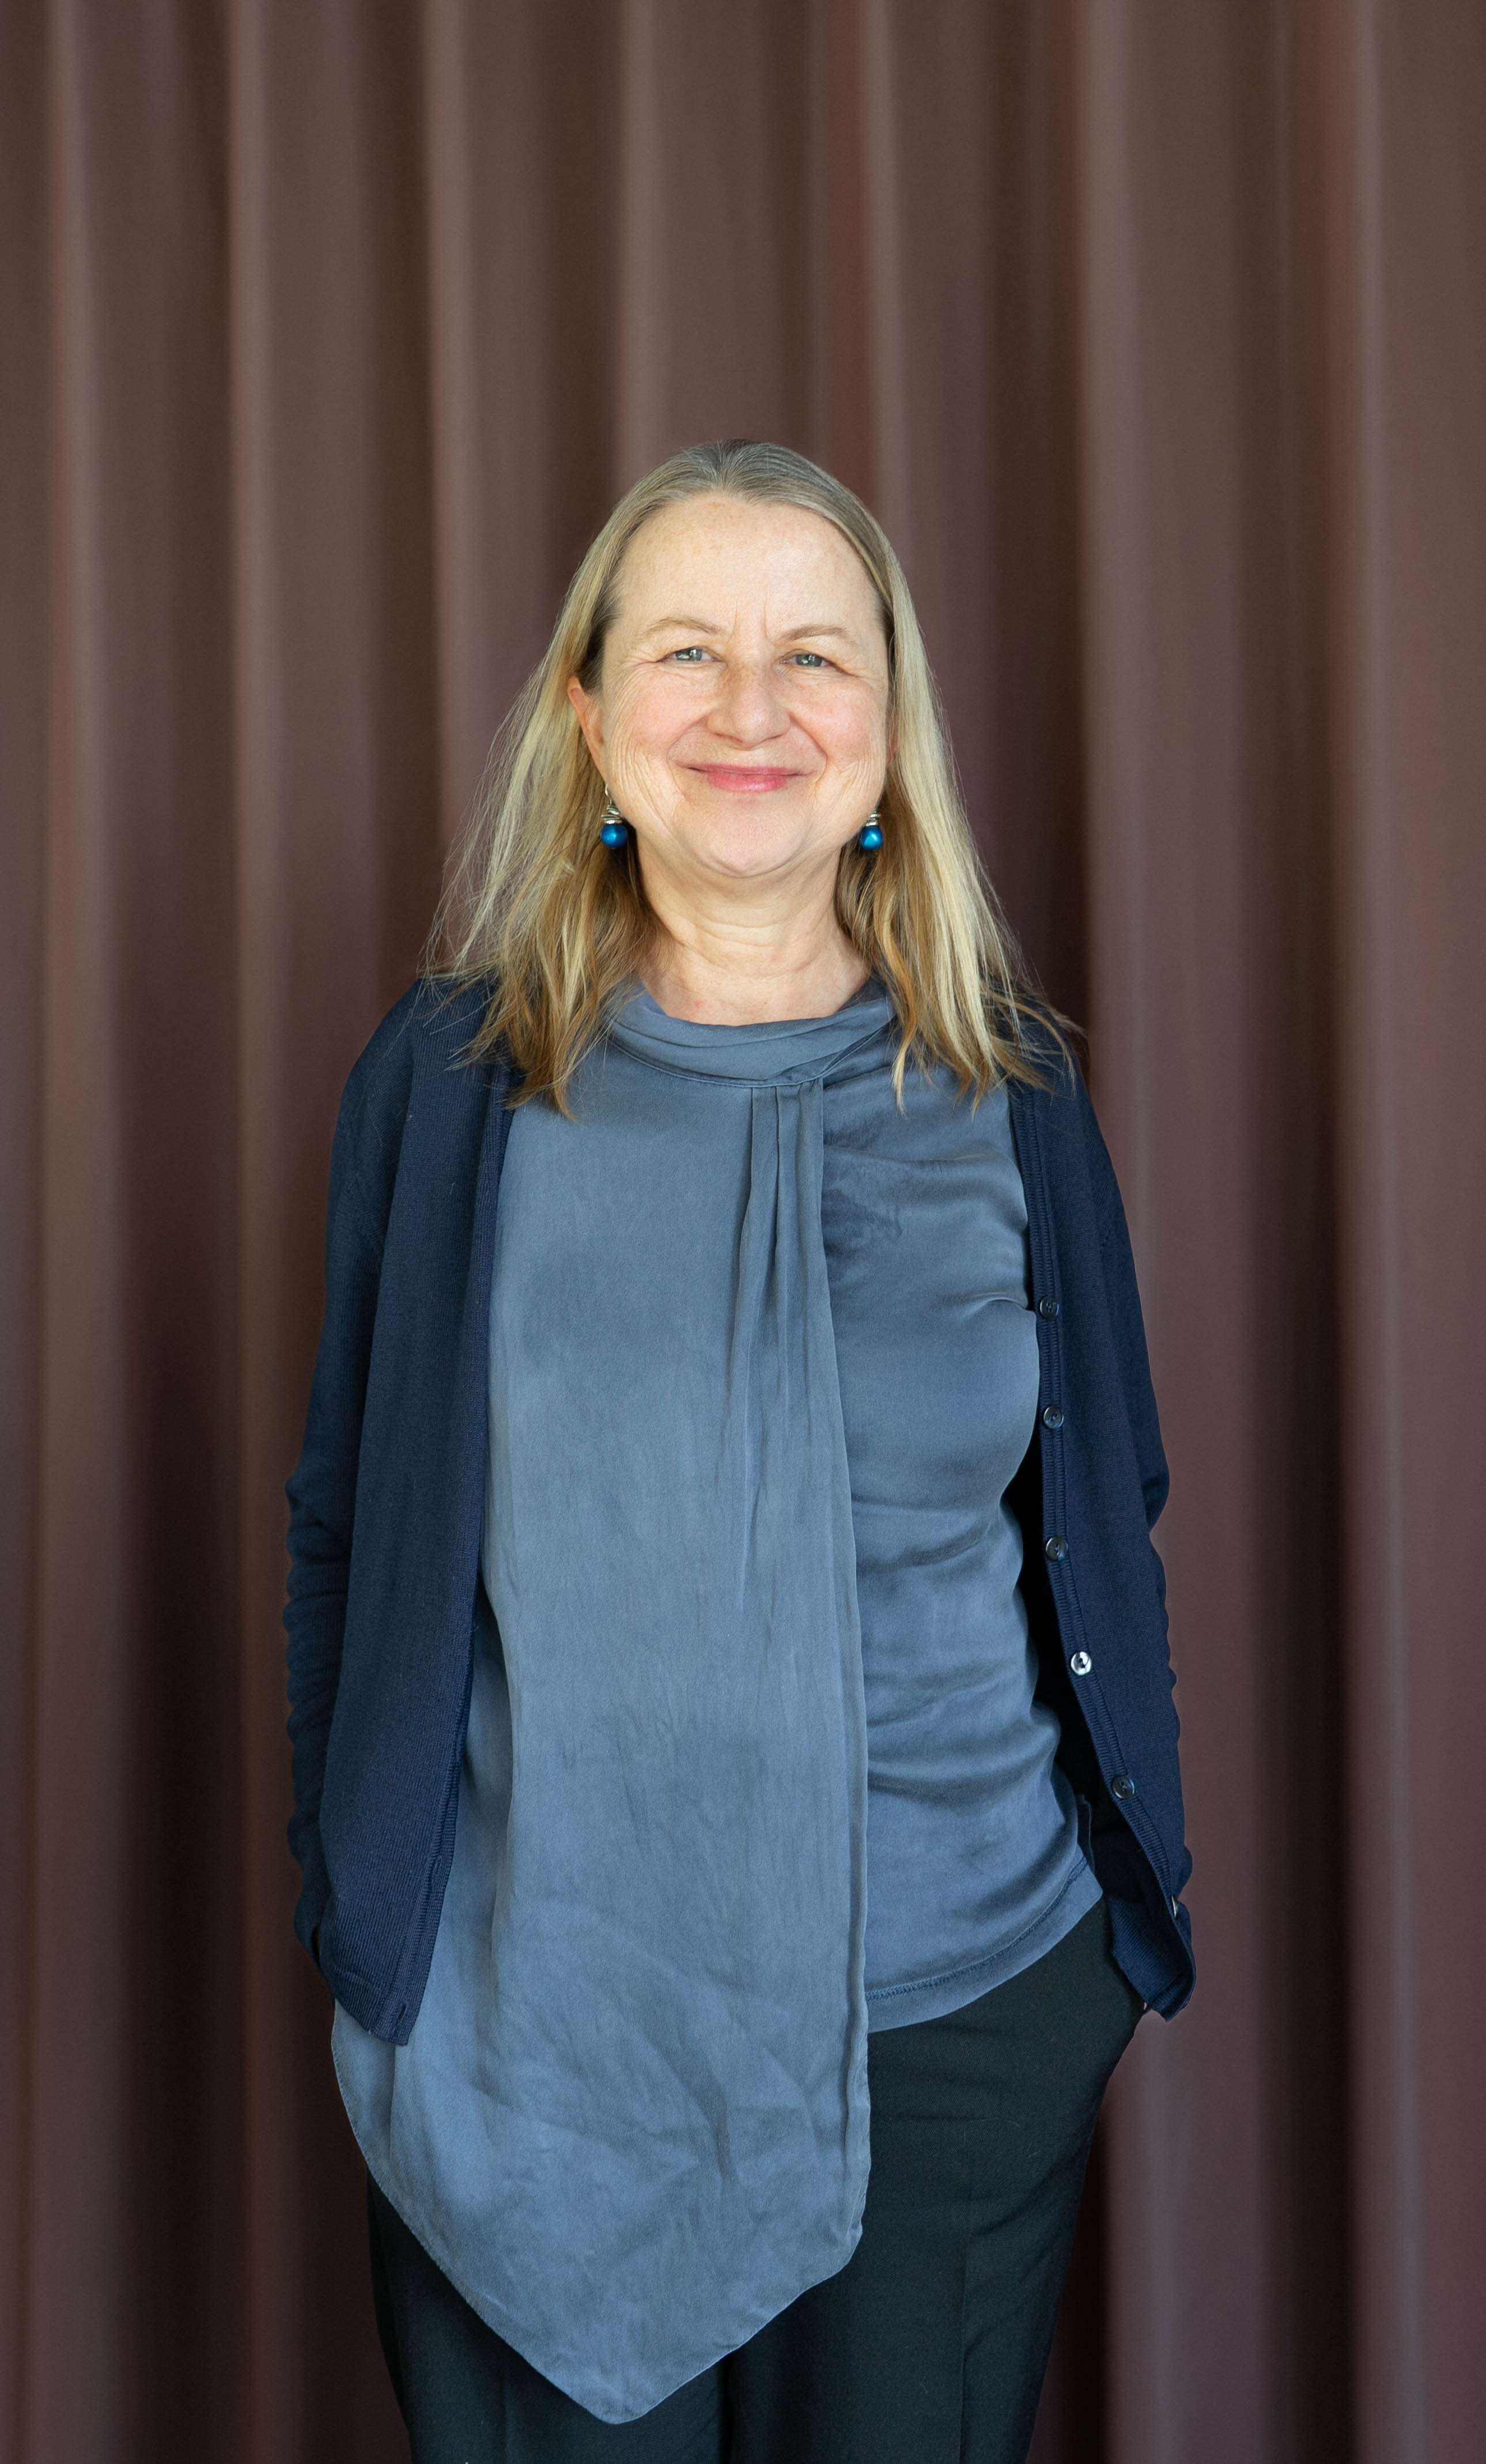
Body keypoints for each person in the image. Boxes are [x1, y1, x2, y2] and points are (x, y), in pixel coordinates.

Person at [284, 439, 1193, 2464]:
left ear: (888, 731)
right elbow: (347, 1525)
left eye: (814, 655)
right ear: (589, 716)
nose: (752, 708)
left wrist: (1078, 1981)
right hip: (533, 2045)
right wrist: (366, 1917)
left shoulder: (1012, 1093)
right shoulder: (443, 1089)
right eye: (687, 650)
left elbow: (1103, 1505)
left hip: (953, 2034)